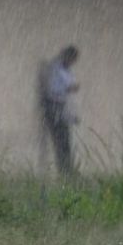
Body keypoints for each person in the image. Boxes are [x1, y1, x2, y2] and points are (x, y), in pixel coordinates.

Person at [38, 45, 80, 176]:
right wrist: (71, 87)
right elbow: (55, 91)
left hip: (58, 108)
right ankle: (65, 172)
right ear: (67, 57)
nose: (73, 63)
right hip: (53, 108)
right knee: (61, 142)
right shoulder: (57, 69)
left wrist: (71, 116)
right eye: (72, 60)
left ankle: (67, 171)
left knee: (64, 141)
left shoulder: (63, 68)